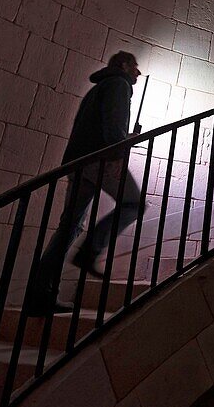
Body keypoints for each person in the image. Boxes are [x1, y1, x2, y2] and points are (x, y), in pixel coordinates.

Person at [26, 50, 144, 316]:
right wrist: (116, 155)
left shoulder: (100, 87)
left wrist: (127, 138)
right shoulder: (119, 84)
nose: (137, 73)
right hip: (99, 159)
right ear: (124, 65)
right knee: (133, 204)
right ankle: (89, 251)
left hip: (79, 162)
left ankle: (40, 295)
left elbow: (101, 126)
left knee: (70, 226)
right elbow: (112, 130)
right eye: (135, 67)